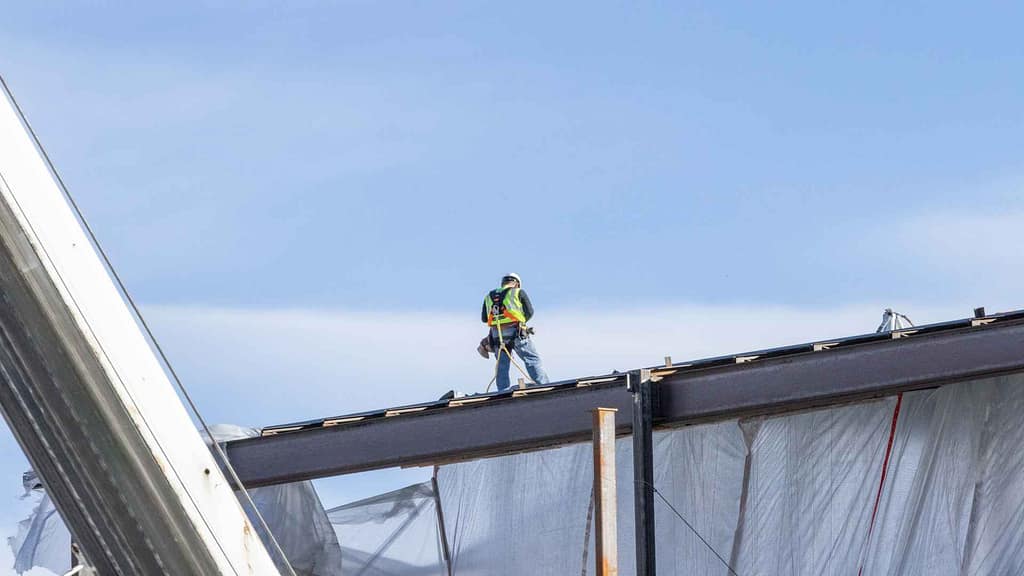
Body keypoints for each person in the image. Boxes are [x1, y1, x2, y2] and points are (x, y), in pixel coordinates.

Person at [480, 273, 550, 391]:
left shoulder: (489, 296)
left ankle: (502, 391)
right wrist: (522, 323)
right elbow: (530, 312)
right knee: (531, 359)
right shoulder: (518, 292)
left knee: (502, 365)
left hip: (497, 334)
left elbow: (484, 318)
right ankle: (543, 385)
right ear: (517, 283)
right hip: (516, 331)